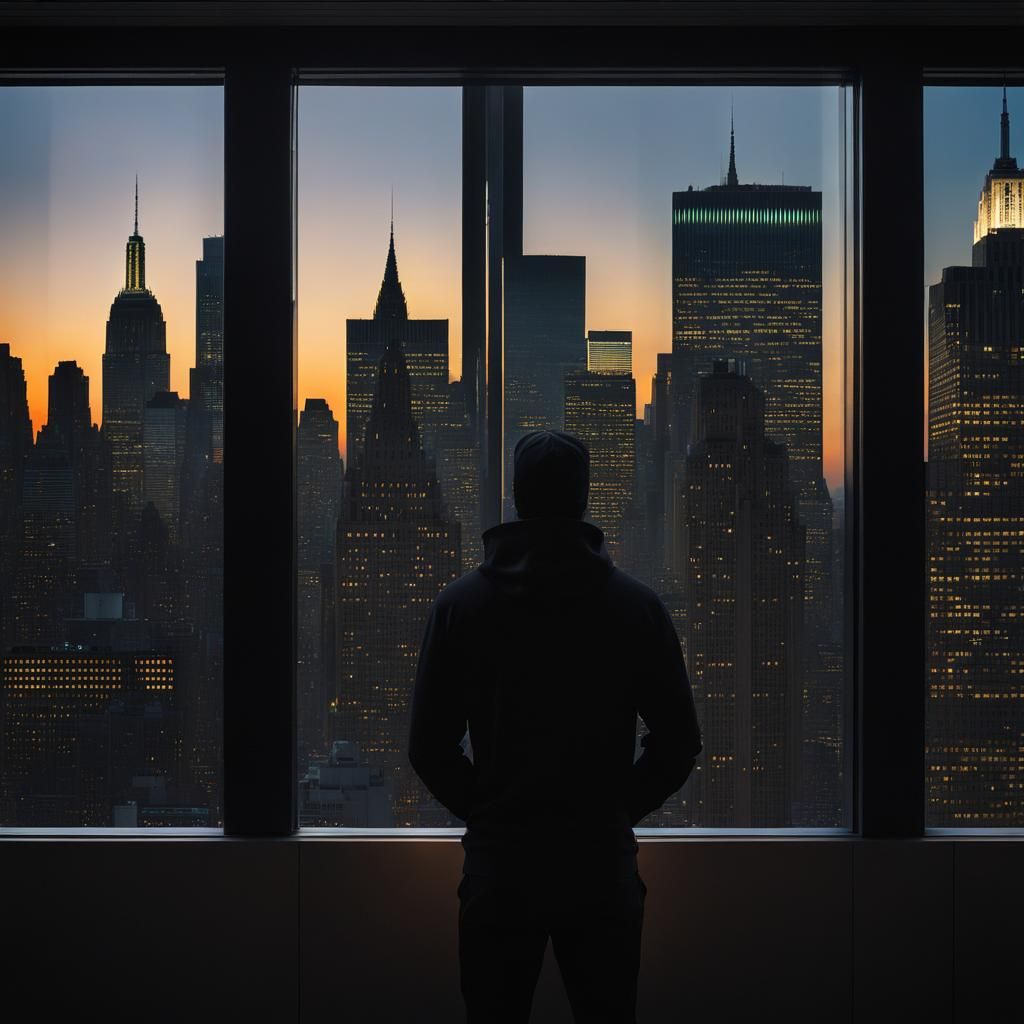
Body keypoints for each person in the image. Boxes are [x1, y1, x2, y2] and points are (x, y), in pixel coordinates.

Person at [409, 429, 702, 1024]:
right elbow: (679, 744)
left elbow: (427, 747)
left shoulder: (460, 607)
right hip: (598, 869)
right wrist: (614, 810)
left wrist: (492, 811)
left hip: (501, 870)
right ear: (583, 498)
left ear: (517, 498)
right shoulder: (636, 608)